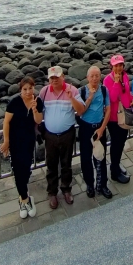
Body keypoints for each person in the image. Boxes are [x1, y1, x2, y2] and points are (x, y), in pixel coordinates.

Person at [40, 66, 85, 209]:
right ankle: (52, 192)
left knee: (66, 164)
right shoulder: (44, 92)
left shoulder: (73, 90)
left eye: (57, 77)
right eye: (52, 78)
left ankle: (66, 189)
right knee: (51, 164)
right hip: (50, 135)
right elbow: (38, 112)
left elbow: (81, 110)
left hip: (67, 134)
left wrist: (71, 98)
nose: (54, 80)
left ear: (63, 77)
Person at [1, 77, 43, 219]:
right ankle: (25, 200)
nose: (27, 92)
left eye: (30, 88)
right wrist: (6, 141)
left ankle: (24, 197)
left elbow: (38, 120)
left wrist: (34, 109)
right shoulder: (14, 102)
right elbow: (6, 122)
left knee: (26, 169)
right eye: (24, 89)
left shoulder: (37, 101)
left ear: (33, 88)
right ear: (20, 90)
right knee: (18, 171)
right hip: (15, 142)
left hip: (29, 141)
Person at [77, 66, 112, 199]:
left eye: (97, 75)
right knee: (86, 158)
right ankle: (90, 184)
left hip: (99, 126)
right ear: (87, 77)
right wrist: (90, 97)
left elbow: (108, 109)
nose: (95, 78)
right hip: (86, 127)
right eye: (92, 76)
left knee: (101, 156)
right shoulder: (82, 91)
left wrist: (102, 128)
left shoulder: (104, 90)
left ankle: (103, 184)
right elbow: (81, 112)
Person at [103, 55, 133, 185]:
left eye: (120, 65)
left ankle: (116, 165)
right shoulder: (107, 80)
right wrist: (115, 82)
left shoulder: (124, 75)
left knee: (121, 143)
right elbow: (112, 98)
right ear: (111, 66)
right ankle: (114, 172)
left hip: (124, 114)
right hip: (114, 119)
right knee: (116, 144)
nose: (119, 68)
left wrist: (131, 99)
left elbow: (126, 91)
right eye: (116, 65)